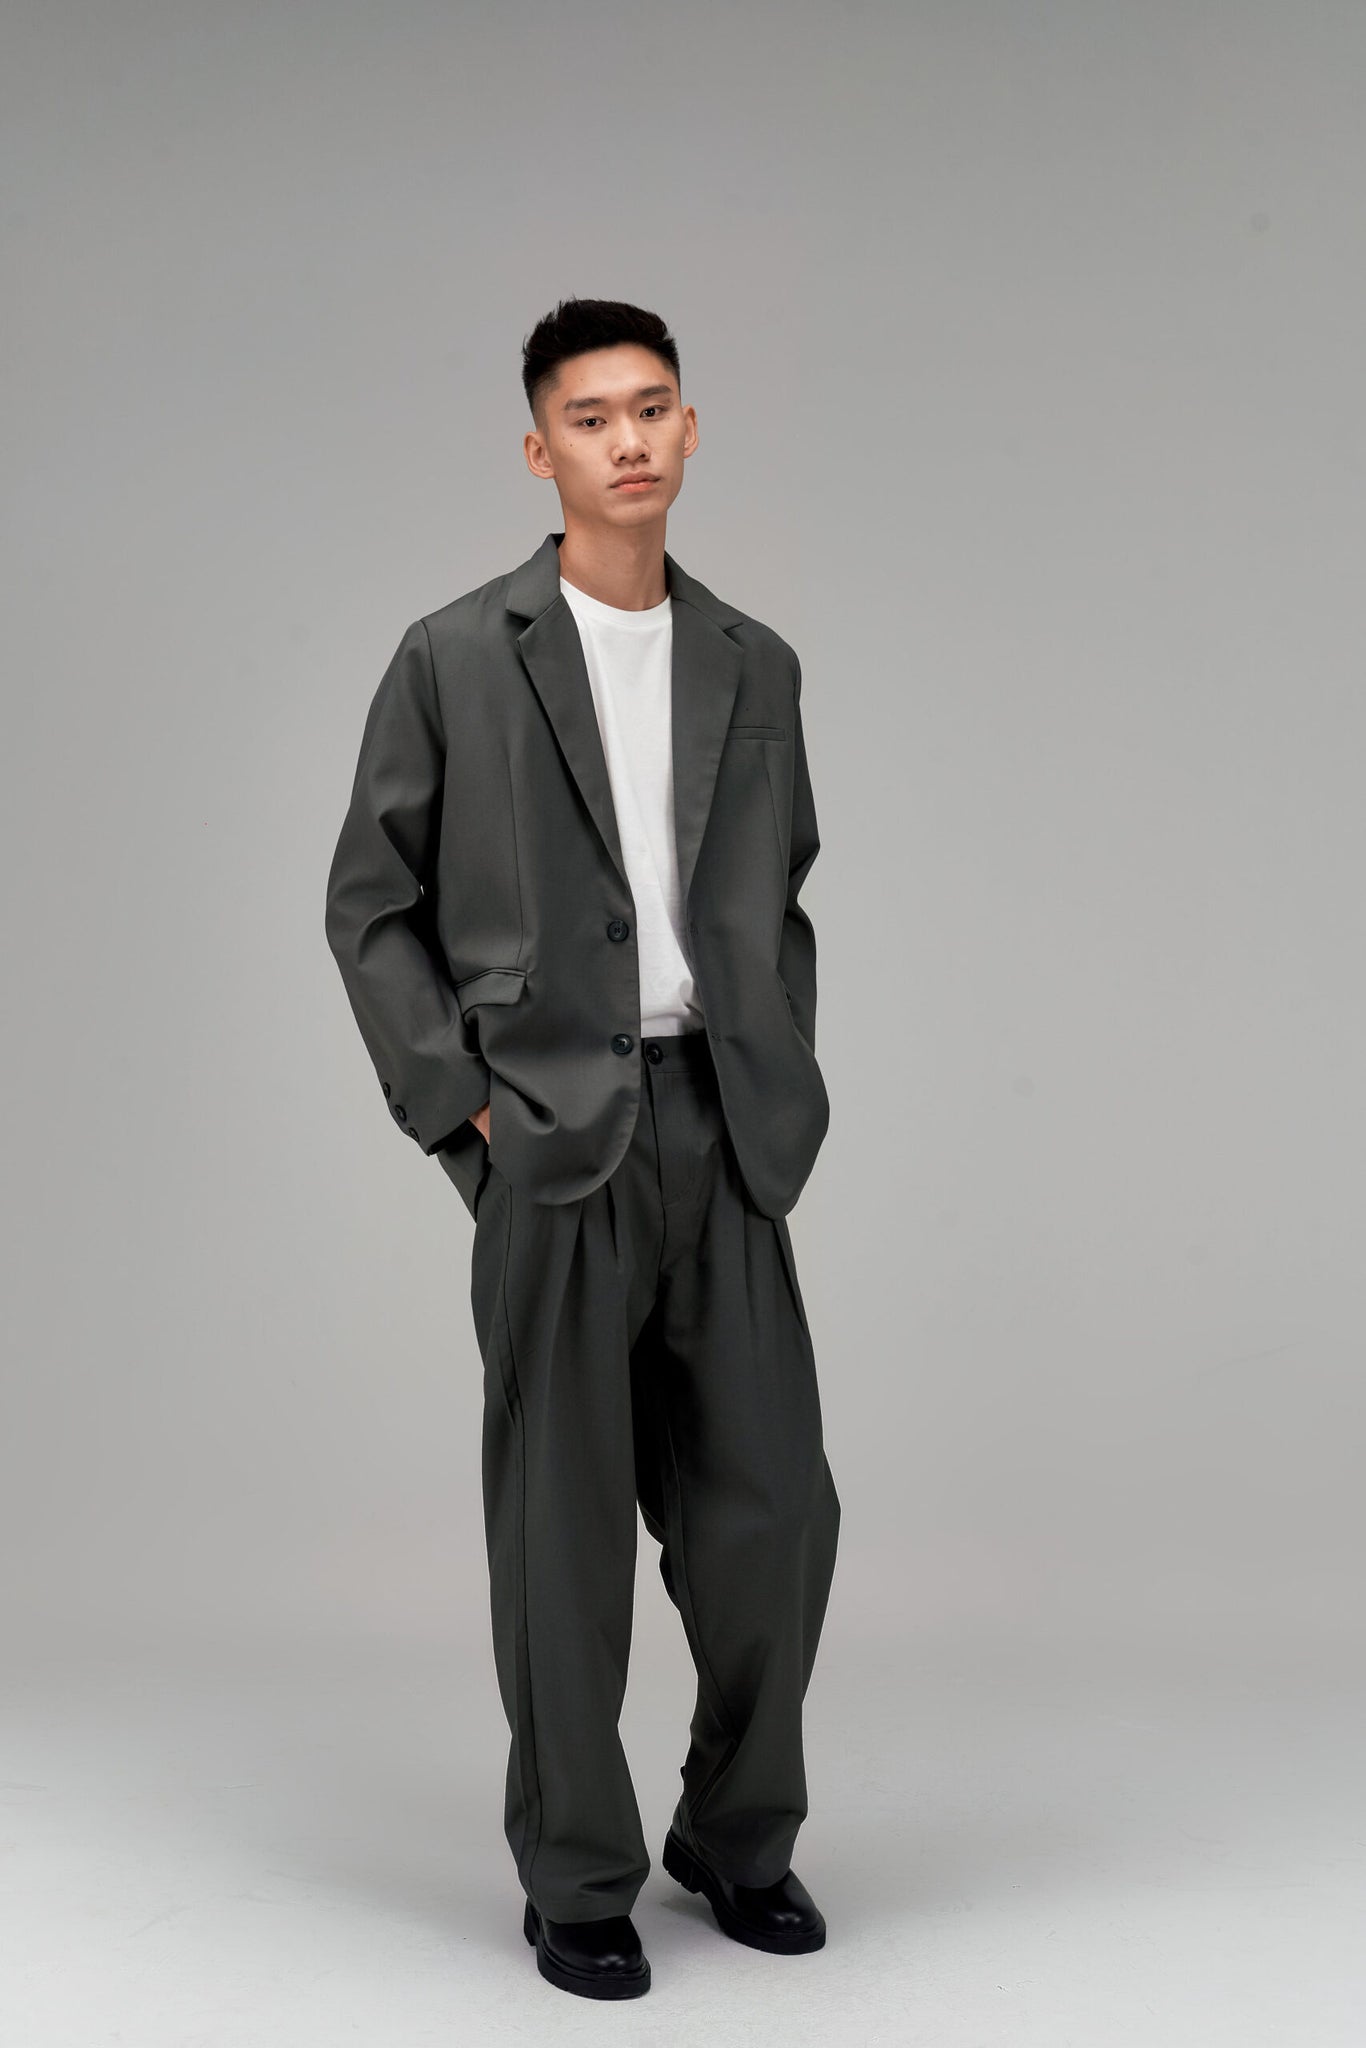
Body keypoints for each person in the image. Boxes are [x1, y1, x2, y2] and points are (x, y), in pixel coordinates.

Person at [324, 297, 840, 2001]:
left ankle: (736, 1834)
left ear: (691, 430)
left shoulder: (754, 660)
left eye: (653, 407)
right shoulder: (455, 655)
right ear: (537, 448)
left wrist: (778, 1058)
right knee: (562, 1543)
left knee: (775, 1516)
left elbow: (782, 891)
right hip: (550, 1142)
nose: (628, 439)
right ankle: (575, 1877)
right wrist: (462, 1107)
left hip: (721, 1128)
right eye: (592, 415)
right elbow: (369, 905)